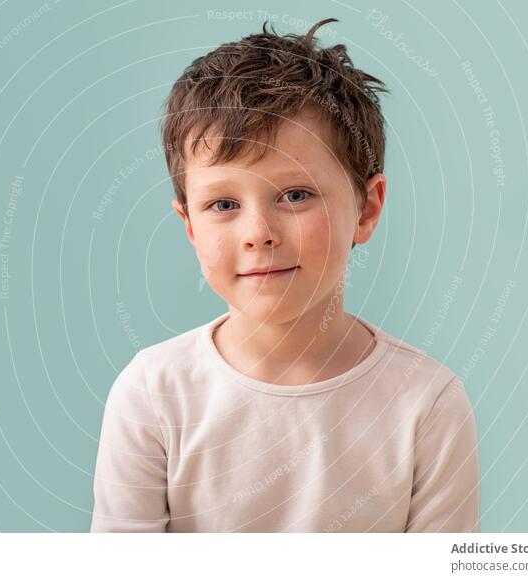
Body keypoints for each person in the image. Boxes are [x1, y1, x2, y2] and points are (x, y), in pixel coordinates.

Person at [90, 17, 479, 533]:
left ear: (366, 209)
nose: (258, 232)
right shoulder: (153, 394)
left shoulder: (427, 405)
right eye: (223, 203)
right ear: (189, 225)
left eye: (295, 195)